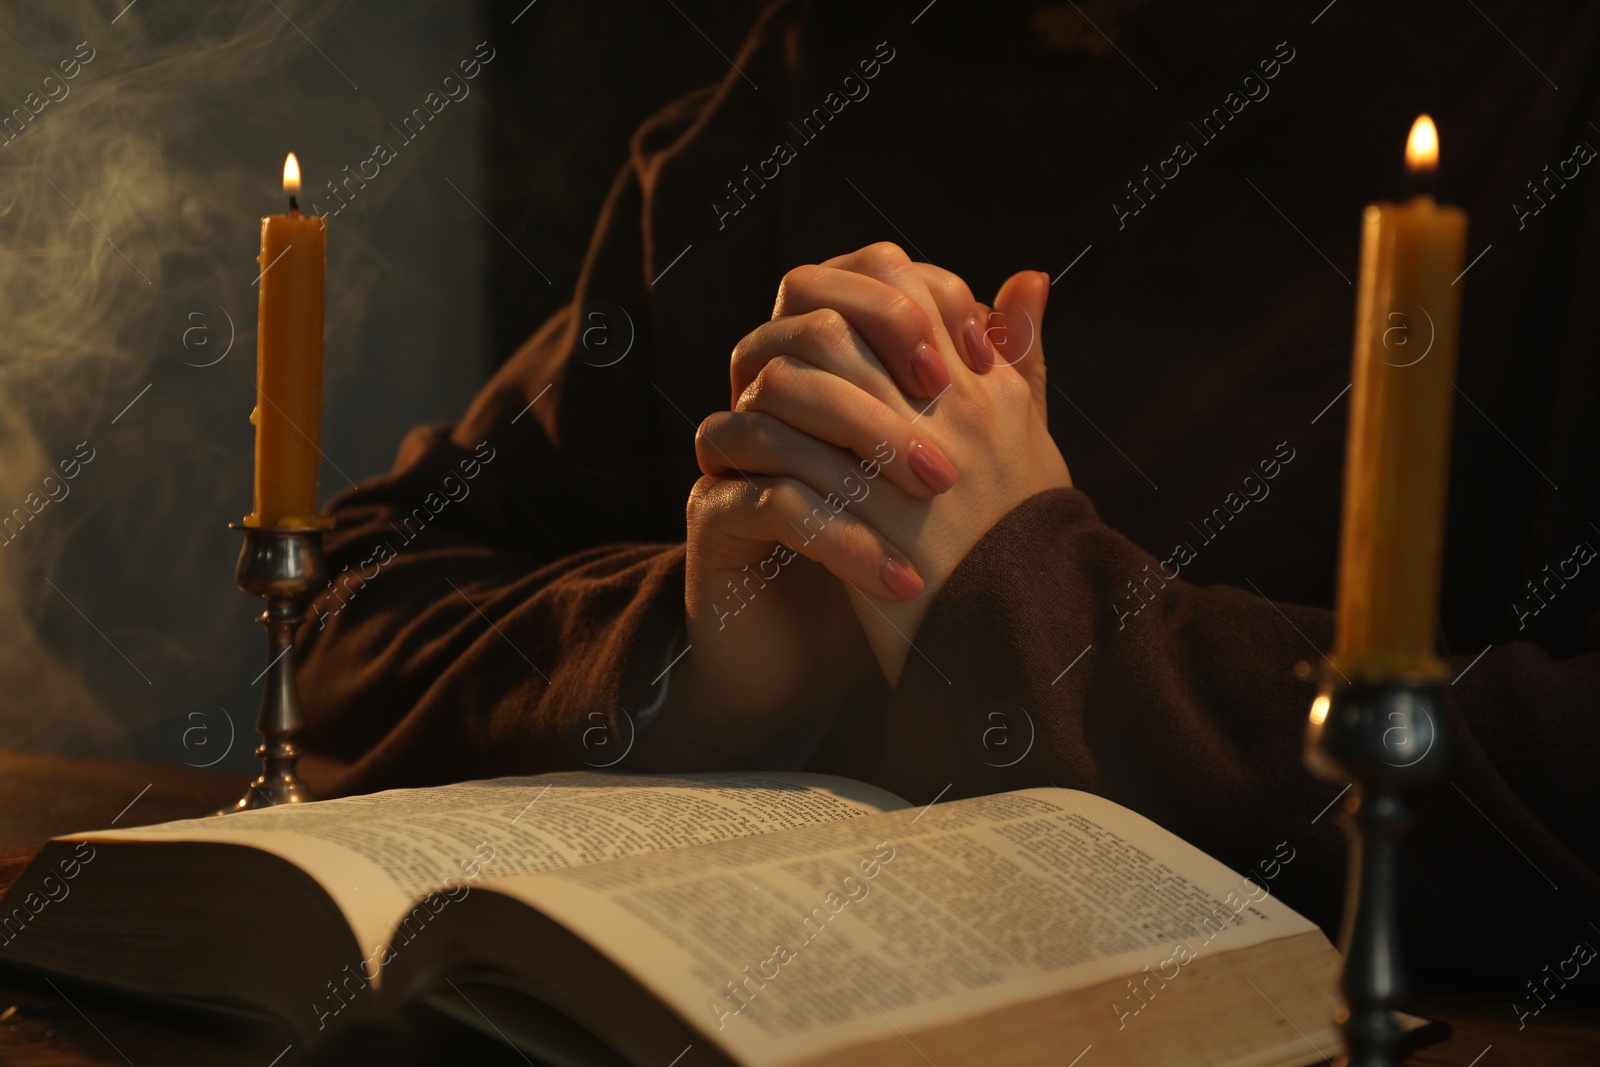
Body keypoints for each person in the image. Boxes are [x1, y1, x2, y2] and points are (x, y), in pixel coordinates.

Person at [298, 0, 1600, 992]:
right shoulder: (820, 78)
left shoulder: (1542, 97)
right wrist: (698, 655)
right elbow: (338, 615)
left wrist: (1038, 605)